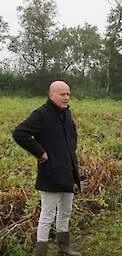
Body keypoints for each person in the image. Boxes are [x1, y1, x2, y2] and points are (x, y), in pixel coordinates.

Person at [13, 81, 81, 256]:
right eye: (62, 94)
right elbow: (19, 133)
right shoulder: (41, 114)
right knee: (47, 215)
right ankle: (41, 252)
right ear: (52, 95)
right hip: (50, 172)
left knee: (65, 212)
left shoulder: (67, 113)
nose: (66, 97)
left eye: (68, 94)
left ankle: (63, 247)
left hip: (68, 170)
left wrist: (70, 153)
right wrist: (40, 152)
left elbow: (72, 134)